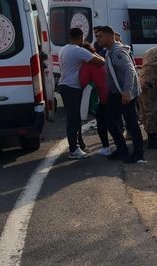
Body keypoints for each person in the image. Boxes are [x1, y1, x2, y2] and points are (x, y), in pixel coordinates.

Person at [96, 26, 145, 164]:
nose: (97, 39)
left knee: (131, 124)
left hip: (124, 92)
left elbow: (129, 71)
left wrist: (127, 91)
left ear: (110, 36)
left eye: (100, 36)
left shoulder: (118, 52)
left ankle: (138, 154)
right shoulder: (109, 51)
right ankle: (122, 149)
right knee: (109, 121)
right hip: (115, 92)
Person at [58, 27, 105, 159]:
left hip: (64, 85)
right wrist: (92, 52)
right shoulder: (78, 51)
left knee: (74, 117)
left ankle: (77, 146)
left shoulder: (64, 49)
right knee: (74, 119)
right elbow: (101, 62)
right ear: (81, 37)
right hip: (72, 87)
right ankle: (74, 149)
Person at [79, 44, 112, 155]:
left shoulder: (88, 64)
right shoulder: (100, 57)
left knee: (102, 122)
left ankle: (106, 147)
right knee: (112, 121)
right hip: (112, 92)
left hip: (102, 96)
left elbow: (83, 81)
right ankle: (118, 145)